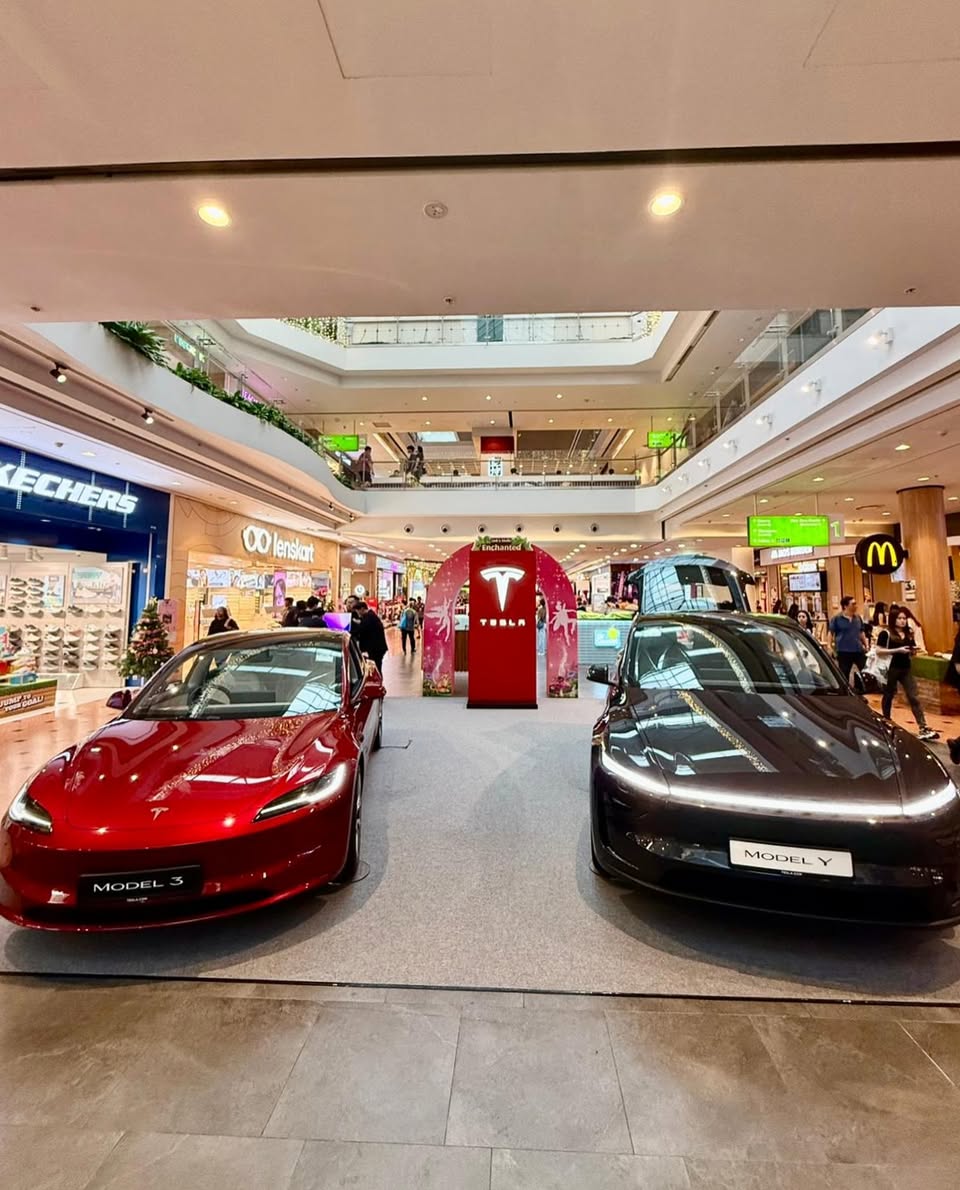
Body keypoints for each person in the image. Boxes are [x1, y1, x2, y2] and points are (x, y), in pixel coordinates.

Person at [875, 607, 939, 741]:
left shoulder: (908, 633)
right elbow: (879, 651)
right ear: (894, 619)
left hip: (905, 668)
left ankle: (923, 726)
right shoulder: (886, 633)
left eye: (904, 618)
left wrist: (912, 651)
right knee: (888, 695)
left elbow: (912, 648)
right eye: (899, 618)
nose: (903, 621)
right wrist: (897, 650)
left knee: (913, 696)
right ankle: (886, 721)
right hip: (890, 668)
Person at [828, 595, 868, 685]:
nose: (856, 606)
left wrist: (866, 644)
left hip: (858, 649)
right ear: (845, 606)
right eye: (853, 604)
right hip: (843, 650)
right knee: (844, 673)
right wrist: (829, 646)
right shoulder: (837, 618)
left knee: (865, 670)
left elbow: (861, 632)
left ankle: (862, 687)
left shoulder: (858, 618)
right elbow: (830, 632)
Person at [354, 601, 388, 674]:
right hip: (377, 648)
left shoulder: (369, 617)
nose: (358, 614)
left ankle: (378, 680)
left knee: (376, 668)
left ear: (362, 609)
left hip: (376, 649)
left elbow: (361, 630)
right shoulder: (370, 616)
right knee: (377, 667)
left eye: (358, 611)